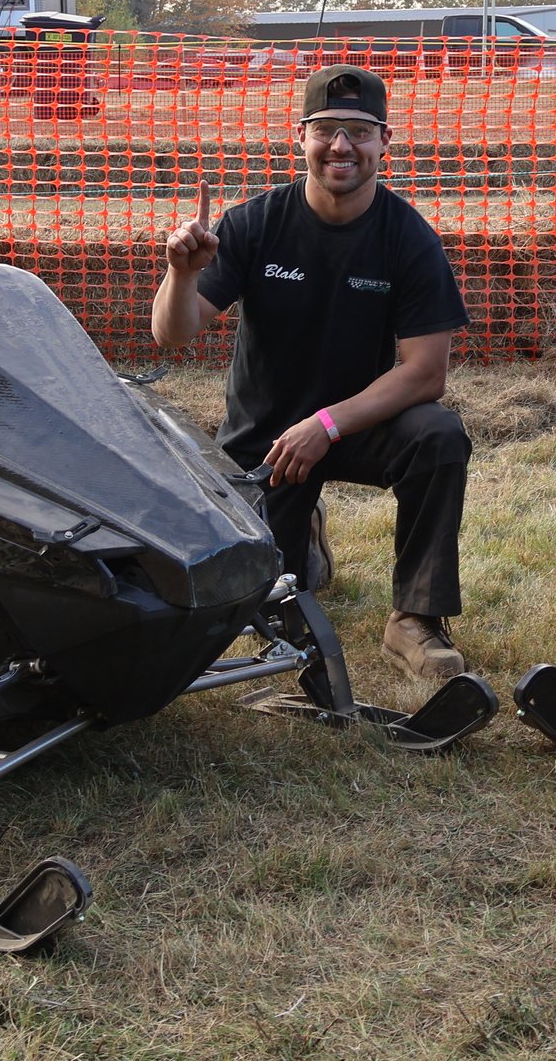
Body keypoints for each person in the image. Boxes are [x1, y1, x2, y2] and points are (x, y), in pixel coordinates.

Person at [153, 64, 474, 681]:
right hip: (266, 442)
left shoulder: (409, 239)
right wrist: (183, 272)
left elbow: (426, 374)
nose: (341, 146)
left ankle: (416, 619)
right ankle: (305, 546)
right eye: (326, 129)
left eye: (358, 131)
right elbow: (172, 332)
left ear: (386, 141)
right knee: (269, 614)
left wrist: (326, 424)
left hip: (354, 427)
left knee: (438, 434)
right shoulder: (254, 223)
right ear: (300, 137)